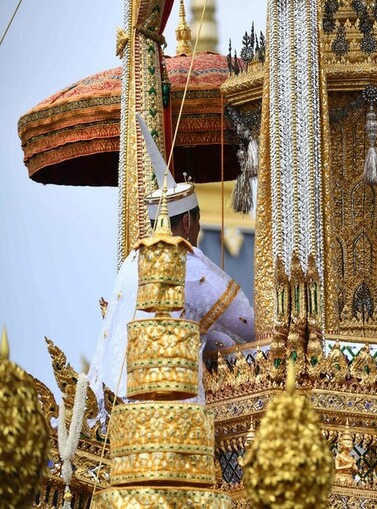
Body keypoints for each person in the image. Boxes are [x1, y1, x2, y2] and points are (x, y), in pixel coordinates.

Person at [87, 114, 254, 416]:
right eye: (198, 224)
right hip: (165, 409)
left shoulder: (131, 261)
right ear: (188, 222)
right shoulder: (184, 260)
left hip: (112, 406)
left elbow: (185, 323)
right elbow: (246, 322)